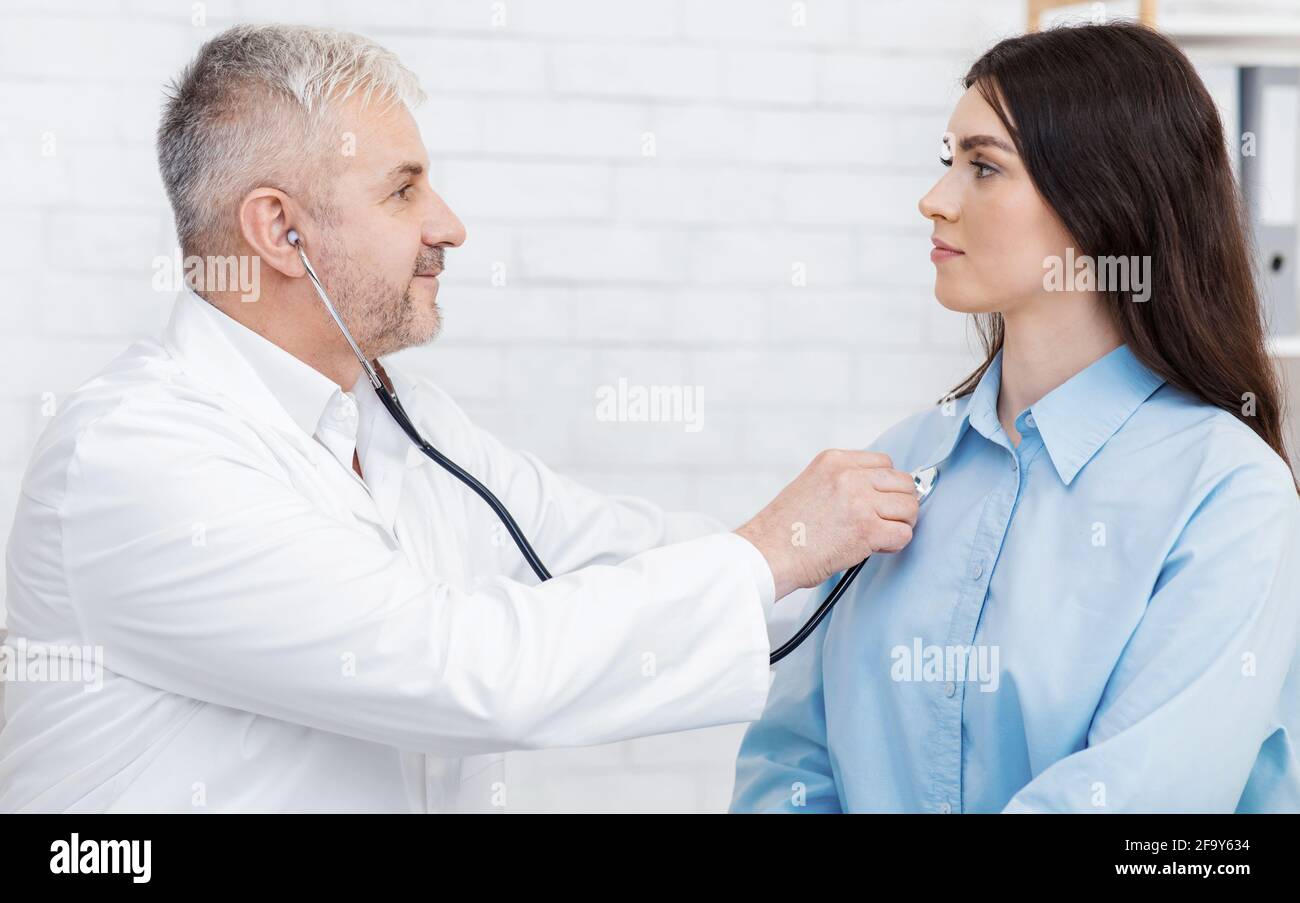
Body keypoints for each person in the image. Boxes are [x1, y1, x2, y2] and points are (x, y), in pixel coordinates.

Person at [0, 24, 921, 813]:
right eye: (402, 190)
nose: (448, 225)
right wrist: (773, 550)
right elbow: (461, 668)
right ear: (280, 231)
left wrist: (861, 559)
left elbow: (595, 550)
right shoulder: (136, 457)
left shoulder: (400, 420)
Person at [732, 22, 1300, 814]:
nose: (935, 200)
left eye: (984, 166)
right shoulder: (891, 469)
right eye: (948, 162)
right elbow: (788, 762)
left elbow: (1135, 802)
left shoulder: (1230, 496)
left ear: (1102, 199)